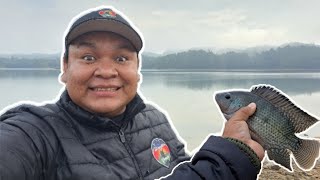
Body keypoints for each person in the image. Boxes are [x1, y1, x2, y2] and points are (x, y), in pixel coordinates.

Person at [0, 6, 264, 180]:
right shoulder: (34, 132)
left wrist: (232, 151)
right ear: (65, 67)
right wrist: (226, 160)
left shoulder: (154, 119)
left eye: (121, 59)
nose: (106, 70)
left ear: (138, 70)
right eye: (89, 56)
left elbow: (182, 169)